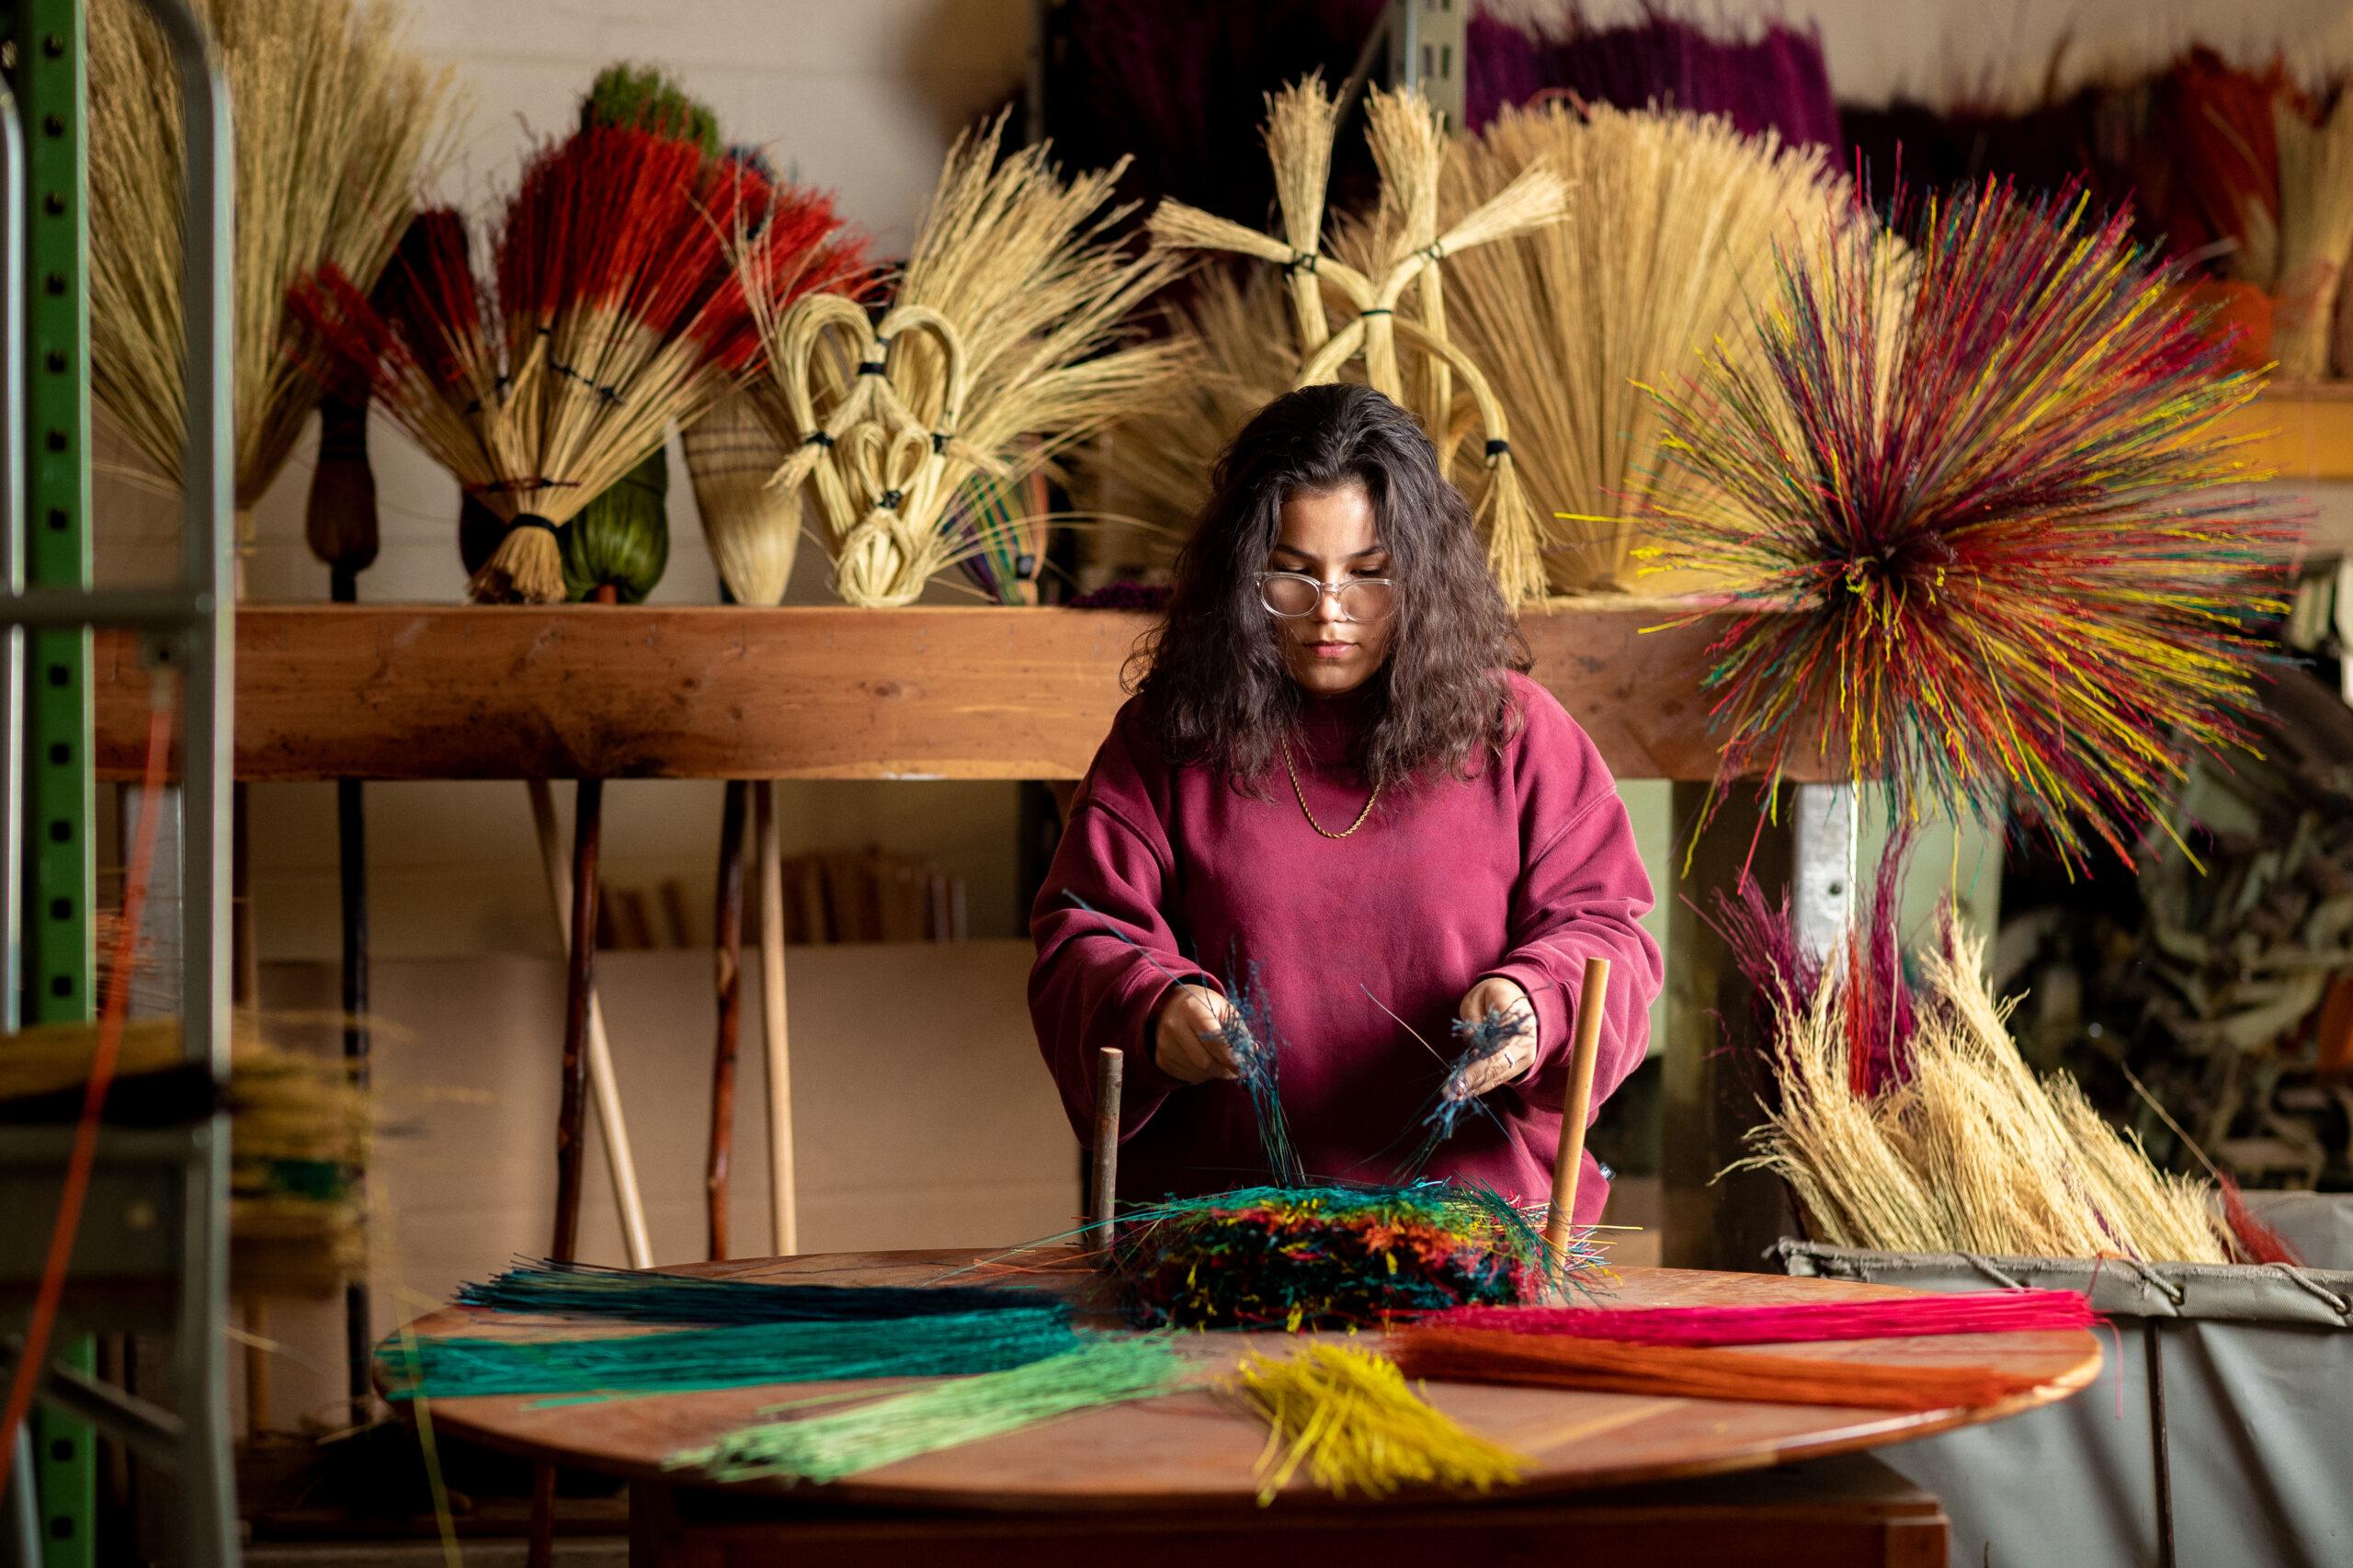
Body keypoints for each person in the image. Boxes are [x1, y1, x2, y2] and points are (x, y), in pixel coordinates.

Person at [1029, 383, 1660, 1223]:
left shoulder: (1519, 734)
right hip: (1225, 1237)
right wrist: (1156, 1012)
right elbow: (1082, 938)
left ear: (1425, 577)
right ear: (1239, 575)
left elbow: (1609, 936)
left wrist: (1534, 1006)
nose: (1330, 613)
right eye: (1291, 575)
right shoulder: (1167, 740)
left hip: (1481, 1233)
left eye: (1370, 577)